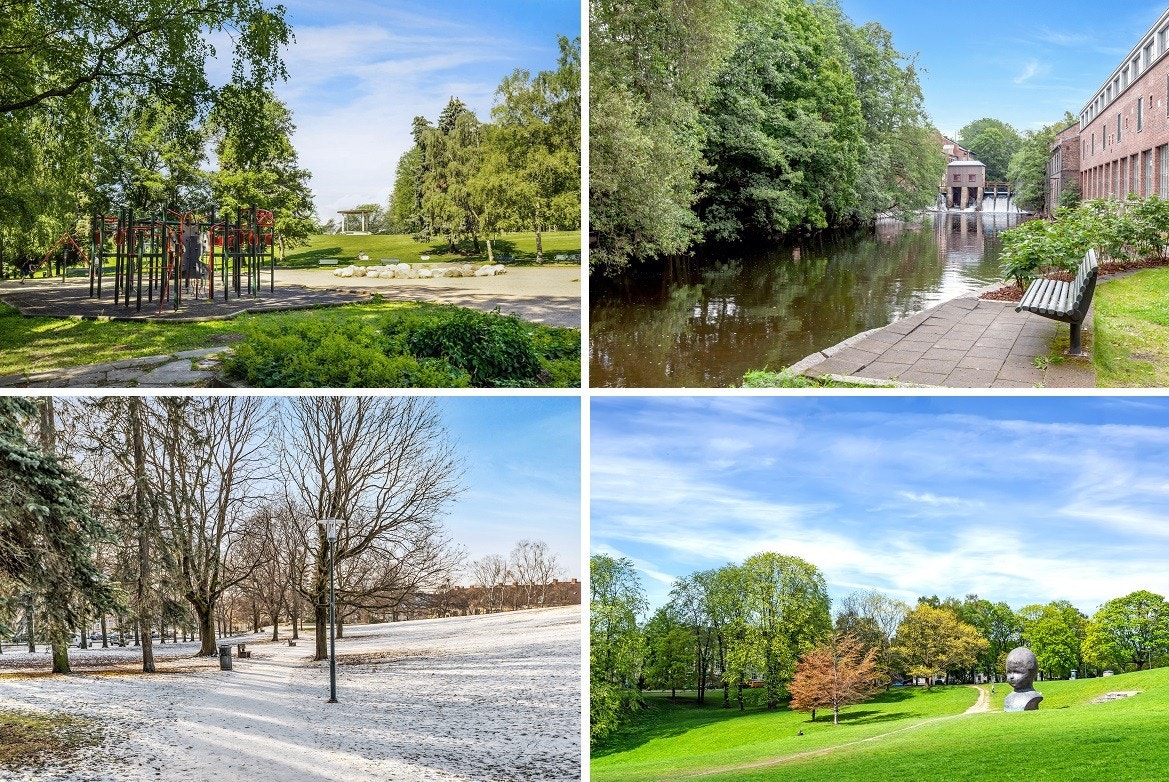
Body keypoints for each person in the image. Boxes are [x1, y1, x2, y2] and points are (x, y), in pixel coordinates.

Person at [1003, 647, 1043, 712]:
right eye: (1009, 672)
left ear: (1031, 672)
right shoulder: (1007, 699)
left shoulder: (1033, 697)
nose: (1011, 677)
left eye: (1017, 672)